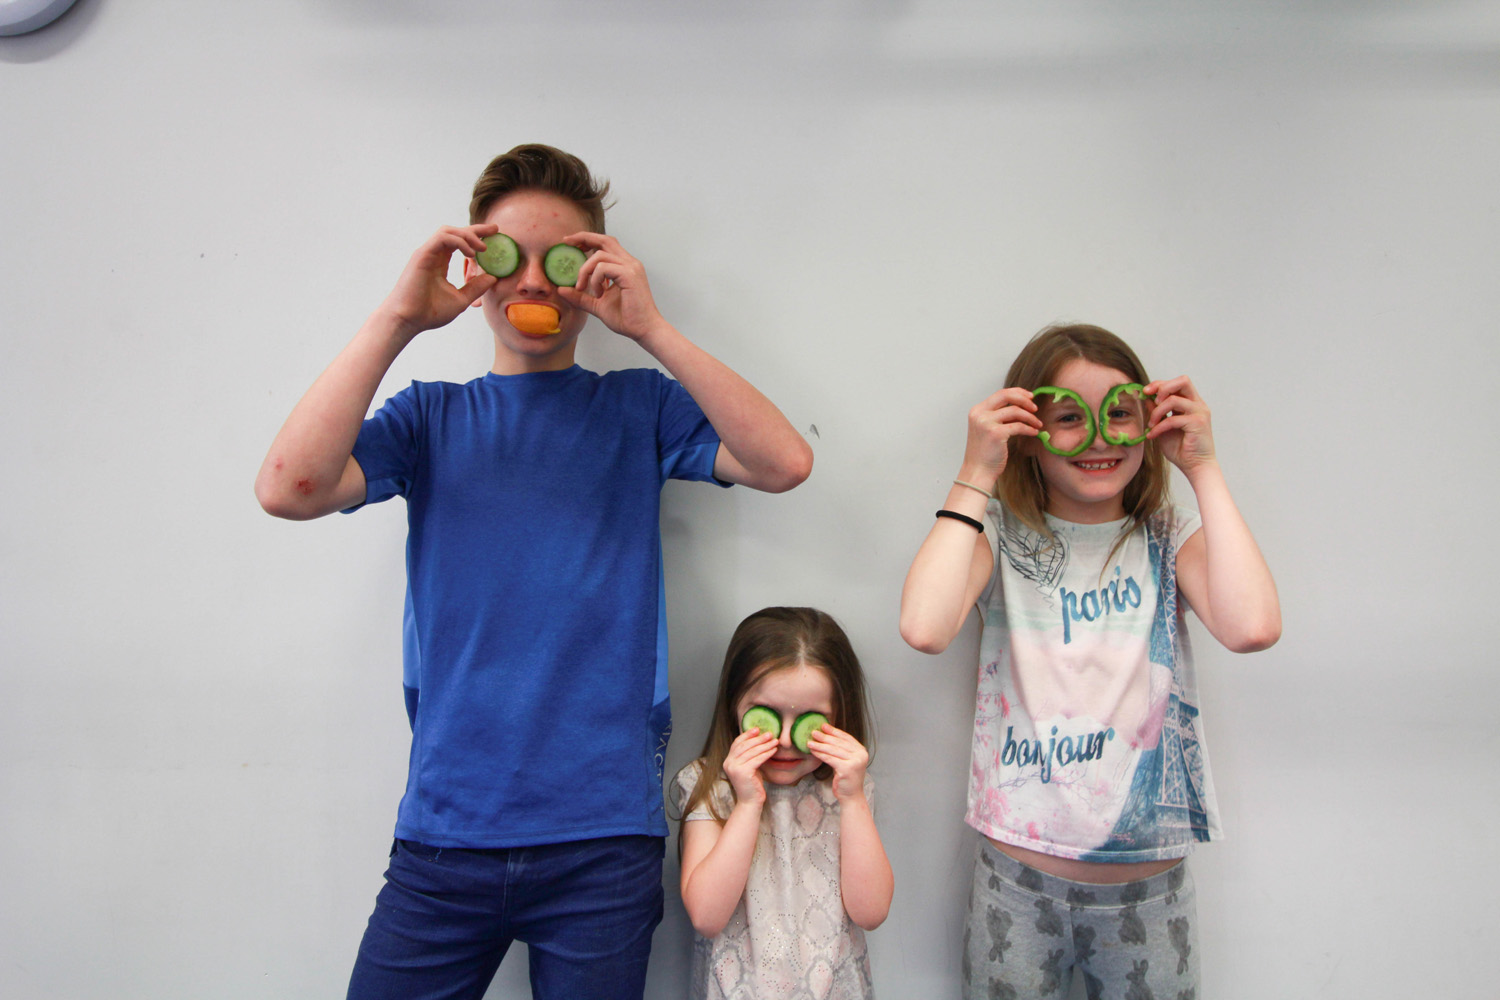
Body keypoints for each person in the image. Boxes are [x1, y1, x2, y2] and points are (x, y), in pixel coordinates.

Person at [254, 143, 813, 1000]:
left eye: (563, 262)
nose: (535, 286)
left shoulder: (638, 408)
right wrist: (399, 320)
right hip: (445, 834)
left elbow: (783, 463)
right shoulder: (430, 419)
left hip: (601, 842)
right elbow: (286, 490)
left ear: (592, 275)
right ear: (476, 269)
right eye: (507, 259)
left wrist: (651, 330)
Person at [899, 323, 1279, 999]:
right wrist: (976, 471)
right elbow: (924, 628)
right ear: (1029, 432)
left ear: (1147, 422)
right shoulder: (1000, 537)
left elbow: (1252, 627)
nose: (1099, 438)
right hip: (1015, 884)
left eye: (1118, 415)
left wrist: (1203, 466)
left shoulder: (1168, 536)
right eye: (1068, 418)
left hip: (1148, 891)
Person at [673, 607, 893, 1000]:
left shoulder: (847, 790)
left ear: (840, 718)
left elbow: (871, 912)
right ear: (734, 707)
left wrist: (854, 799)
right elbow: (706, 916)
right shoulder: (709, 785)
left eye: (810, 720)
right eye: (767, 717)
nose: (788, 739)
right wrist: (746, 804)